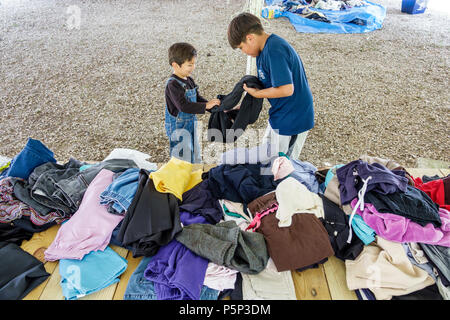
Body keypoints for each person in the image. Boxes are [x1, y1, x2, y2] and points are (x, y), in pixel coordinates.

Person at [227, 12, 314, 160]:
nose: (244, 52)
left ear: (250, 38)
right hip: (280, 115)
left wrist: (257, 94)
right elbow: (267, 85)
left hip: (293, 119)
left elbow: (287, 89)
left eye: (242, 48)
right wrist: (244, 106)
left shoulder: (274, 50)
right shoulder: (262, 51)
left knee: (283, 165)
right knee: (267, 158)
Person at [164, 42, 221, 163]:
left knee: (195, 153)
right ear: (175, 65)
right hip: (178, 128)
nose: (193, 67)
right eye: (190, 65)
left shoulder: (189, 79)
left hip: (191, 123)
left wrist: (213, 107)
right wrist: (205, 105)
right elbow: (183, 106)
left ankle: (196, 174)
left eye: (194, 63)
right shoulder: (172, 84)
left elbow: (197, 98)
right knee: (181, 157)